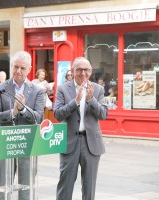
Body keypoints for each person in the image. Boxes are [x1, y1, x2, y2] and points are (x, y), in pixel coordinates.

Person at [0, 51, 45, 200]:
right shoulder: (1, 88)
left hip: (27, 144)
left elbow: (39, 117)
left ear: (29, 69)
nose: (18, 71)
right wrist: (13, 112)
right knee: (2, 188)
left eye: (22, 68)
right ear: (11, 67)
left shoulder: (38, 90)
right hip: (5, 144)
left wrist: (23, 110)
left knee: (26, 188)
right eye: (16, 67)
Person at [53, 57, 108, 200]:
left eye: (86, 70)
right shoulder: (62, 89)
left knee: (89, 186)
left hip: (91, 144)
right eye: (79, 70)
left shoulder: (98, 89)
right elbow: (57, 115)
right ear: (72, 71)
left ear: (90, 71)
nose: (83, 73)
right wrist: (75, 102)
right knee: (65, 184)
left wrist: (91, 100)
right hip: (69, 141)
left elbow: (103, 114)